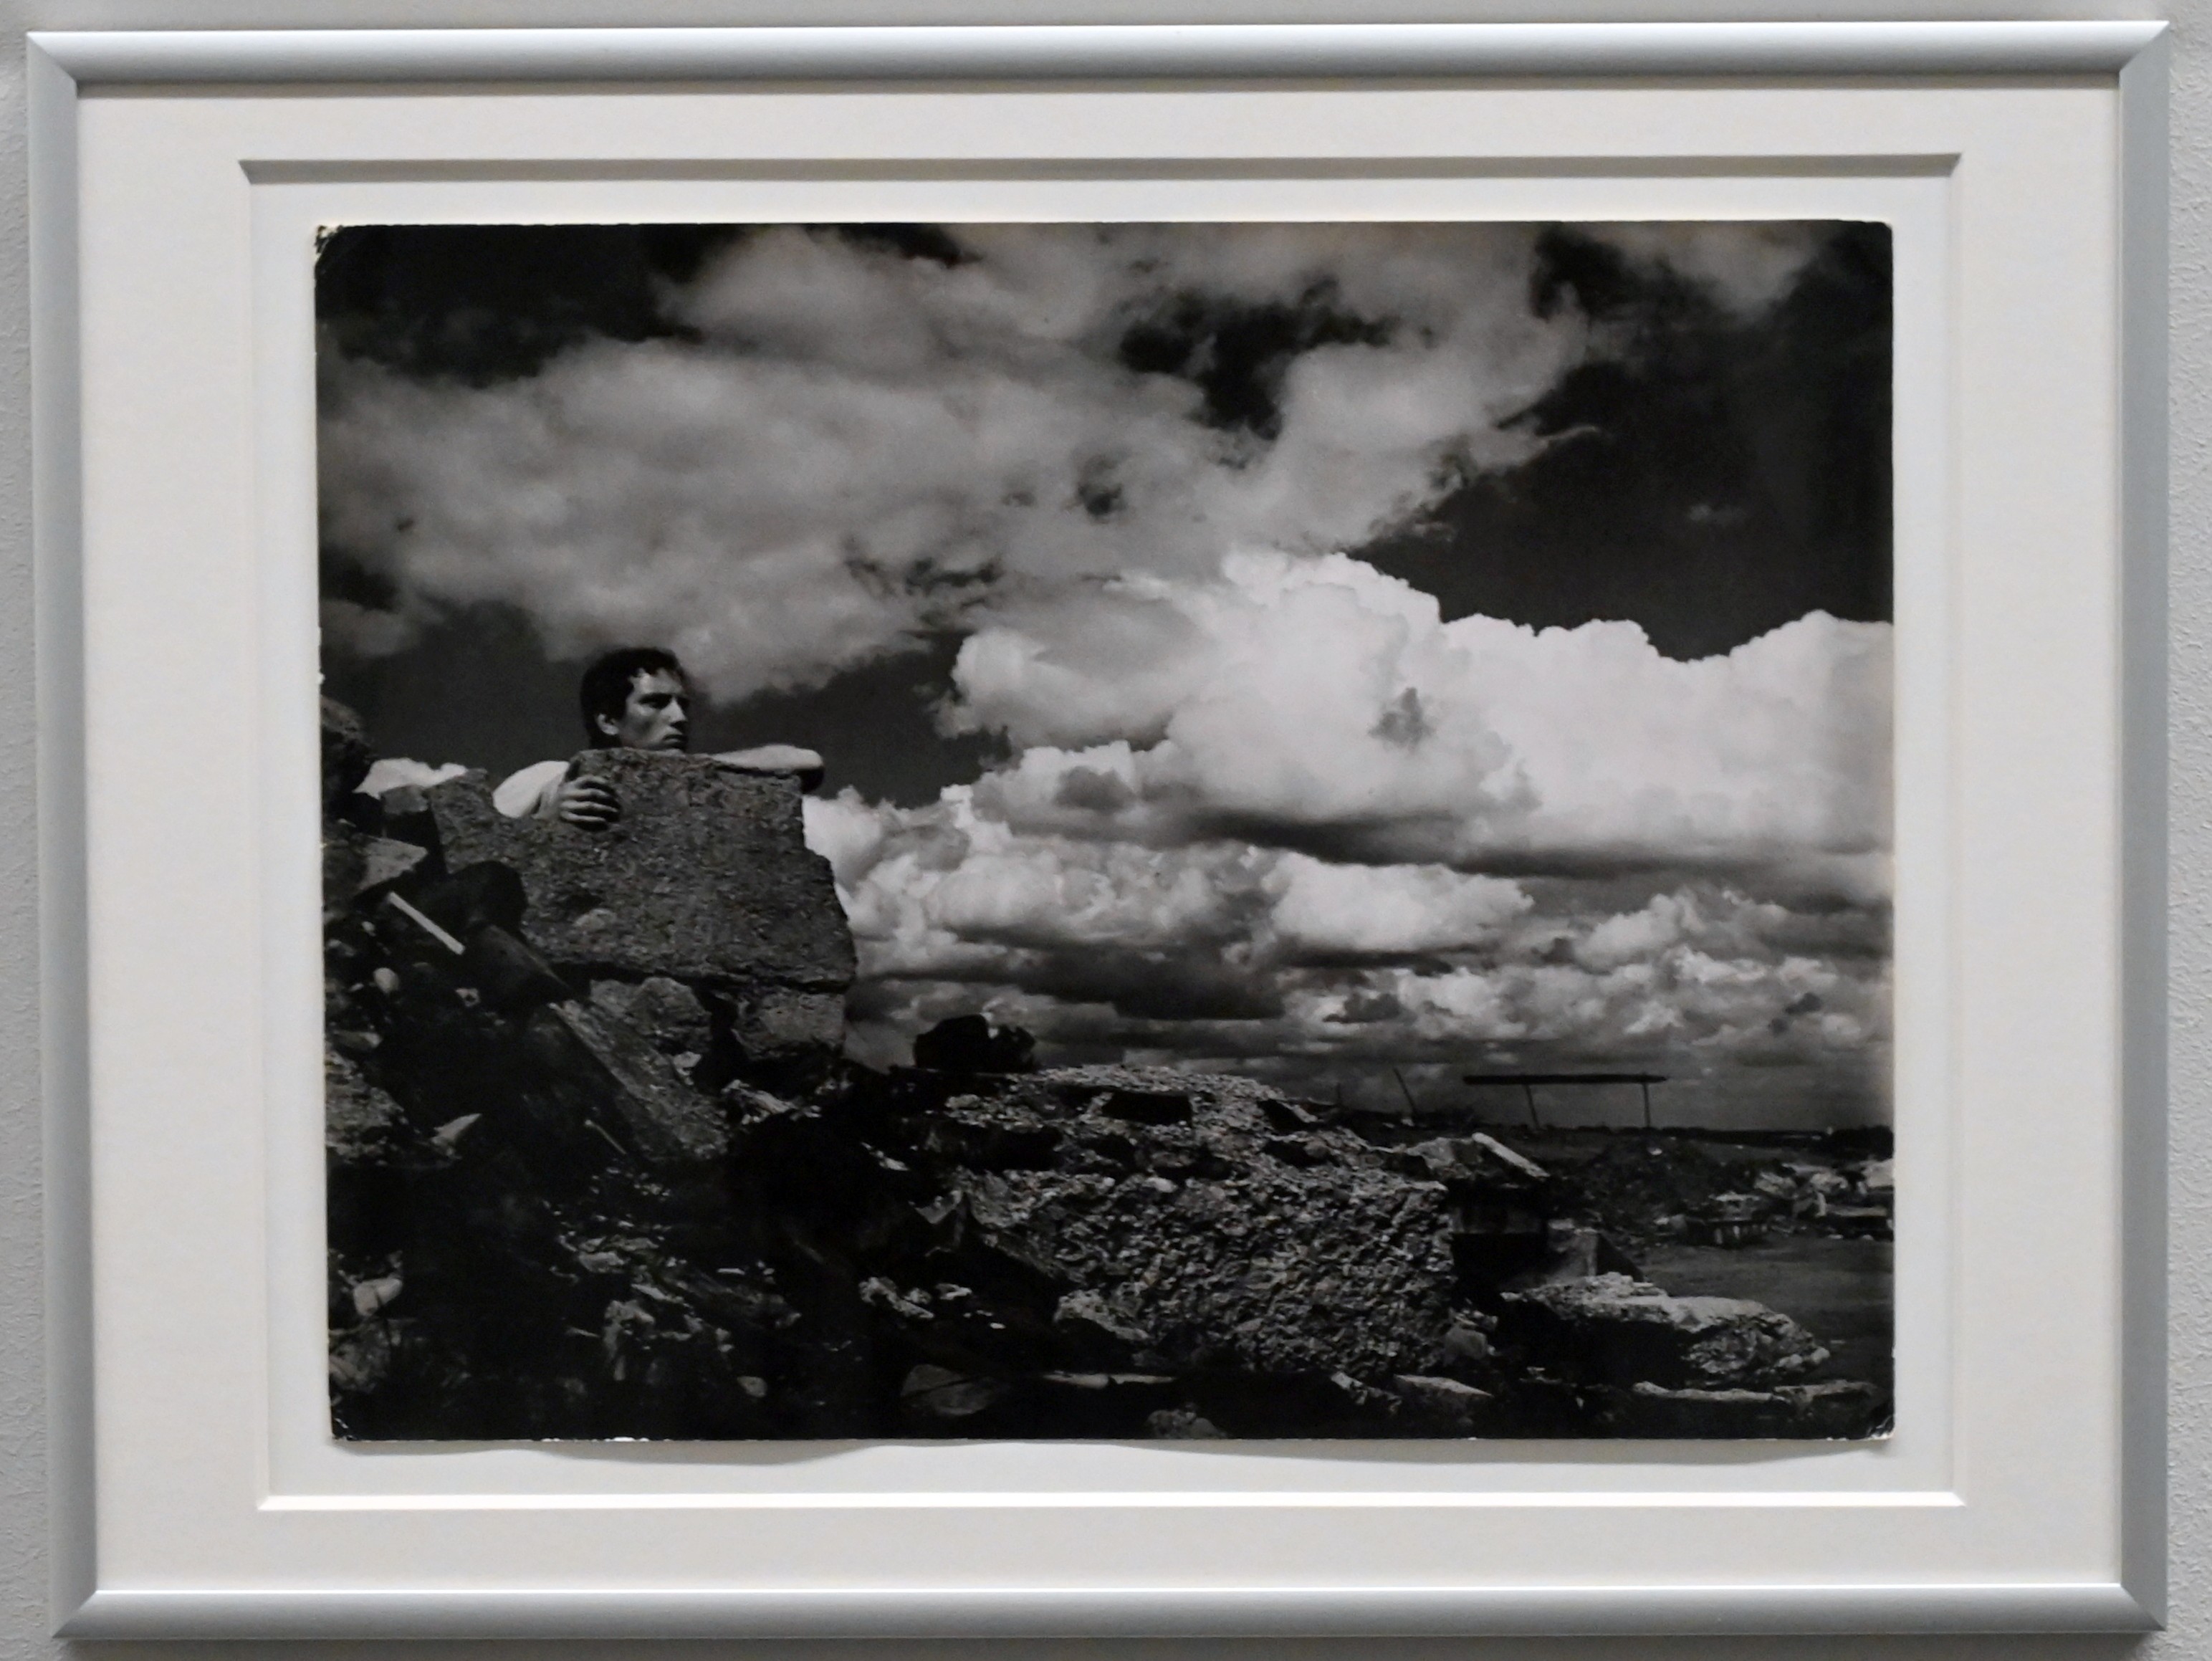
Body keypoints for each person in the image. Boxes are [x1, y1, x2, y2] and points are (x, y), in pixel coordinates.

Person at [493, 646, 824, 824]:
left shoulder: (700, 781)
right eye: (655, 703)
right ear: (608, 721)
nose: (679, 718)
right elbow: (483, 849)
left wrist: (691, 769)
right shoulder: (547, 775)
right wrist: (545, 820)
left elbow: (806, 763)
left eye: (682, 705)